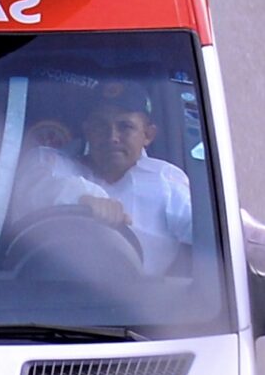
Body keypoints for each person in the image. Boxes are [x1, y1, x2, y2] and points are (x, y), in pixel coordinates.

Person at [11, 80, 194, 274]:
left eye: (125, 127)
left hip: (142, 300)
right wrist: (83, 198)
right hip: (43, 293)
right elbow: (30, 192)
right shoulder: (50, 163)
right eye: (100, 125)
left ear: (148, 134)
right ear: (87, 130)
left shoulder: (166, 181)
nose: (112, 136)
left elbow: (210, 236)